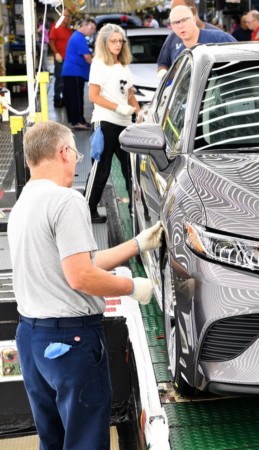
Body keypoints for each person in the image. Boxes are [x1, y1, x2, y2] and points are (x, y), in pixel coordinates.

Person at [9, 121, 162, 449]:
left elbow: (79, 262)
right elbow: (80, 276)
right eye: (76, 156)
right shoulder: (65, 201)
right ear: (64, 152)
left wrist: (136, 244)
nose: (76, 163)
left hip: (33, 341)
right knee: (86, 442)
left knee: (53, 439)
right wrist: (131, 287)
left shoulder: (24, 204)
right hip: (70, 343)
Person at [86, 24, 140, 224]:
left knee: (131, 169)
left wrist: (139, 112)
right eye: (113, 41)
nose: (118, 44)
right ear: (104, 42)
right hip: (105, 123)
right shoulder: (99, 64)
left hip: (125, 124)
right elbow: (93, 96)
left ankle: (134, 207)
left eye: (120, 41)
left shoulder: (123, 65)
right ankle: (88, 210)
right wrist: (118, 107)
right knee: (101, 170)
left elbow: (130, 93)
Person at [156, 0, 230, 72]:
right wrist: (164, 74)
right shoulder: (173, 39)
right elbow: (163, 63)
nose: (176, 14)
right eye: (173, 11)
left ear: (193, 11)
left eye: (180, 10)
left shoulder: (219, 37)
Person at [61, 18, 96, 130]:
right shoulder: (79, 38)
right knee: (75, 98)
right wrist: (99, 65)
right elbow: (88, 58)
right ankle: (77, 121)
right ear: (84, 25)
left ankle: (75, 120)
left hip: (72, 73)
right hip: (74, 72)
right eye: (91, 28)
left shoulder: (78, 36)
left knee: (73, 97)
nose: (92, 31)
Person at [48, 12, 72, 107]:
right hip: (60, 59)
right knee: (60, 79)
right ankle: (57, 99)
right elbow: (51, 42)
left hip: (69, 59)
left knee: (67, 80)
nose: (68, 18)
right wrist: (56, 53)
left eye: (69, 16)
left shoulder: (69, 30)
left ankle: (65, 98)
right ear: (61, 17)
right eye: (66, 16)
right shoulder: (55, 28)